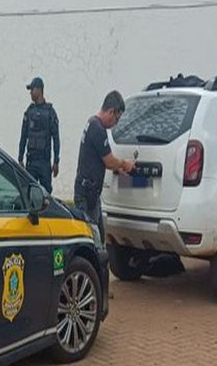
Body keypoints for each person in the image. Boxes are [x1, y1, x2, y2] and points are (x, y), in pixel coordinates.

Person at [74, 90, 135, 243]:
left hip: (91, 193)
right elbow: (109, 160)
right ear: (111, 111)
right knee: (91, 238)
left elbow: (101, 159)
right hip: (87, 194)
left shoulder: (92, 123)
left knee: (99, 236)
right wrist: (125, 164)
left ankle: (100, 266)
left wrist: (117, 169)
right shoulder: (98, 129)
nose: (116, 123)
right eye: (117, 118)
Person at [18, 76, 60, 194]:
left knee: (46, 194)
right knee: (29, 193)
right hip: (31, 160)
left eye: (32, 89)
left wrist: (56, 161)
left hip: (44, 162)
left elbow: (56, 138)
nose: (30, 93)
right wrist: (20, 158)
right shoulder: (29, 111)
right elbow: (23, 136)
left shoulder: (50, 112)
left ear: (39, 90)